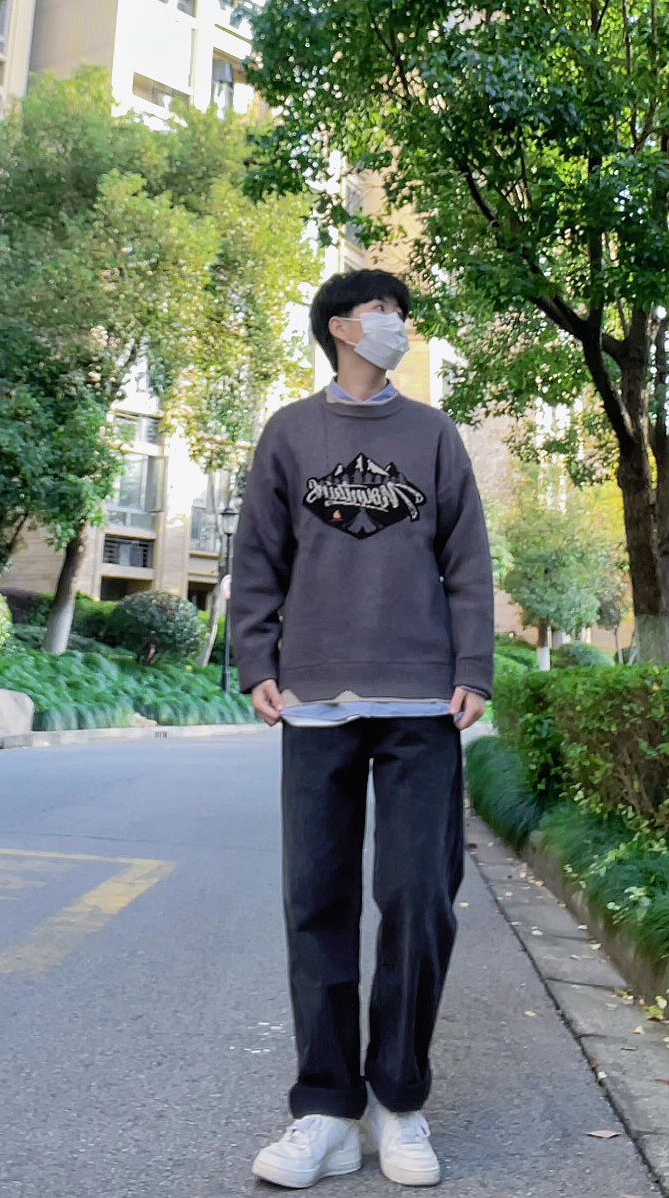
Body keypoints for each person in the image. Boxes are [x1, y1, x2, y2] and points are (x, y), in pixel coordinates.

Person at [232, 268, 493, 1189]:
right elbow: (257, 556)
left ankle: (399, 1101)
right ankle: (327, 1110)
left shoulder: (432, 435)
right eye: (385, 313)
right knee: (316, 900)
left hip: (421, 700)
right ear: (342, 327)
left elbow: (466, 558)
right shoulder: (289, 433)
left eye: (402, 314)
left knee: (419, 896)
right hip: (314, 698)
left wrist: (472, 667)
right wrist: (255, 658)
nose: (400, 326)